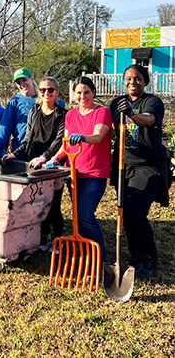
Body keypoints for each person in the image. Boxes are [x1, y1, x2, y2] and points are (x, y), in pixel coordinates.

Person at [109, 64, 170, 279]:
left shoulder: (153, 102)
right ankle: (135, 256)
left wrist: (132, 114)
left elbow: (148, 120)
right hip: (124, 166)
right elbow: (106, 126)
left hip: (149, 164)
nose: (132, 82)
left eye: (137, 79)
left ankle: (149, 256)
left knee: (134, 210)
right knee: (125, 213)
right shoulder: (116, 103)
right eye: (128, 79)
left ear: (145, 81)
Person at [50, 76, 111, 264]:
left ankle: (100, 260)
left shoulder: (102, 112)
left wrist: (82, 138)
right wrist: (53, 158)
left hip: (95, 172)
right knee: (77, 216)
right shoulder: (71, 115)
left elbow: (97, 137)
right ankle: (87, 253)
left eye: (86, 92)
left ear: (93, 92)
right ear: (74, 94)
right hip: (74, 172)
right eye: (79, 92)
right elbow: (66, 143)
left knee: (85, 214)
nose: (83, 96)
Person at [3, 77, 67, 251]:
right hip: (32, 164)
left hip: (53, 165)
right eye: (43, 90)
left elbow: (59, 141)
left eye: (50, 90)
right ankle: (44, 238)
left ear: (56, 92)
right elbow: (27, 140)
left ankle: (58, 240)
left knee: (53, 205)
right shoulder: (34, 111)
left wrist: (45, 157)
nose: (46, 93)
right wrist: (13, 154)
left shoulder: (62, 114)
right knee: (37, 204)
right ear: (38, 91)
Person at [0, 68, 46, 161]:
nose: (22, 84)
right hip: (21, 151)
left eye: (24, 80)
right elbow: (5, 127)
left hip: (43, 152)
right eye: (19, 82)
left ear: (31, 79)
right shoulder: (15, 102)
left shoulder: (45, 98)